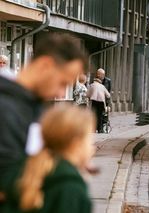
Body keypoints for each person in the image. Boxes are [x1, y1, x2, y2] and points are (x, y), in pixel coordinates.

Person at [0, 34, 87, 189]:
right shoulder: (7, 107)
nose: (61, 93)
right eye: (62, 83)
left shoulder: (33, 107)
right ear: (45, 65)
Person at [0, 104, 95, 213]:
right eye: (90, 139)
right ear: (76, 143)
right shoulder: (71, 188)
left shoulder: (26, 169)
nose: (93, 147)